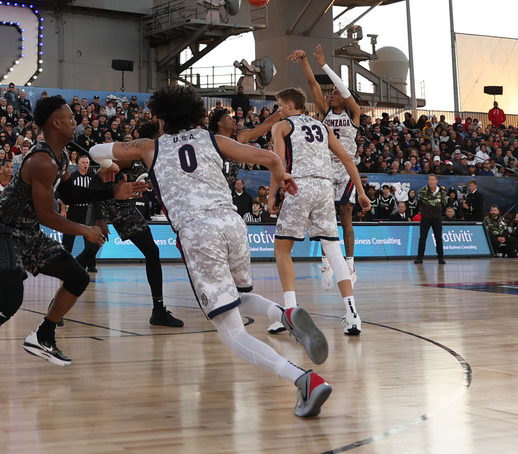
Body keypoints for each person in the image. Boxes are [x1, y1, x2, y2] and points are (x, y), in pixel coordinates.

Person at [93, 86, 334, 418]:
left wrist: (109, 164)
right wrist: (282, 176)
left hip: (197, 231)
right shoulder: (213, 139)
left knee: (232, 333)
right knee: (236, 295)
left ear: (163, 119)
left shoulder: (150, 146)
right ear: (194, 114)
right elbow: (271, 158)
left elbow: (95, 150)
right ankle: (285, 315)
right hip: (233, 224)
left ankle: (304, 379)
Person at [0, 95, 143, 396]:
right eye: (70, 117)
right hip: (4, 232)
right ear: (55, 123)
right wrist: (85, 230)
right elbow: (47, 215)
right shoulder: (40, 161)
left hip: (28, 232)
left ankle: (44, 335)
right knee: (10, 300)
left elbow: (70, 195)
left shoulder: (61, 158)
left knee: (77, 277)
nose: (76, 121)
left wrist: (111, 191)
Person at [266, 87, 367, 337]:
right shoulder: (322, 127)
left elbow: (276, 163)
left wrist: (271, 195)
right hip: (324, 186)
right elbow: (347, 159)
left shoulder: (281, 126)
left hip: (299, 185)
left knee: (281, 249)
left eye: (280, 104)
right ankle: (352, 313)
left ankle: (290, 312)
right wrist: (361, 191)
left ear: (290, 105)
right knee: (333, 249)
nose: (278, 109)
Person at [80, 120, 185, 328]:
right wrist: (100, 218)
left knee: (152, 252)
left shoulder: (158, 157)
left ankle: (158, 311)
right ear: (152, 139)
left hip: (125, 208)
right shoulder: (129, 156)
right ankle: (57, 301)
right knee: (88, 253)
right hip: (104, 203)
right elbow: (95, 181)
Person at [297, 47, 365, 280]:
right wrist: (305, 59)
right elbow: (312, 83)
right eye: (331, 92)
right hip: (325, 168)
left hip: (346, 169)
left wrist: (325, 65)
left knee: (345, 216)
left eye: (334, 92)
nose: (330, 94)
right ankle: (325, 262)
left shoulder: (353, 113)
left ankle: (350, 265)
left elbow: (344, 91)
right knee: (325, 217)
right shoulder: (325, 111)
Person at [413, 174, 446, 264]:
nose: (431, 181)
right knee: (422, 238)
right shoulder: (423, 190)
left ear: (436, 181)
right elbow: (420, 202)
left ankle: (440, 258)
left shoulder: (442, 191)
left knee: (438, 238)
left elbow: (443, 203)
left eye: (433, 180)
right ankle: (419, 258)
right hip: (426, 218)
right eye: (429, 180)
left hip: (437, 218)